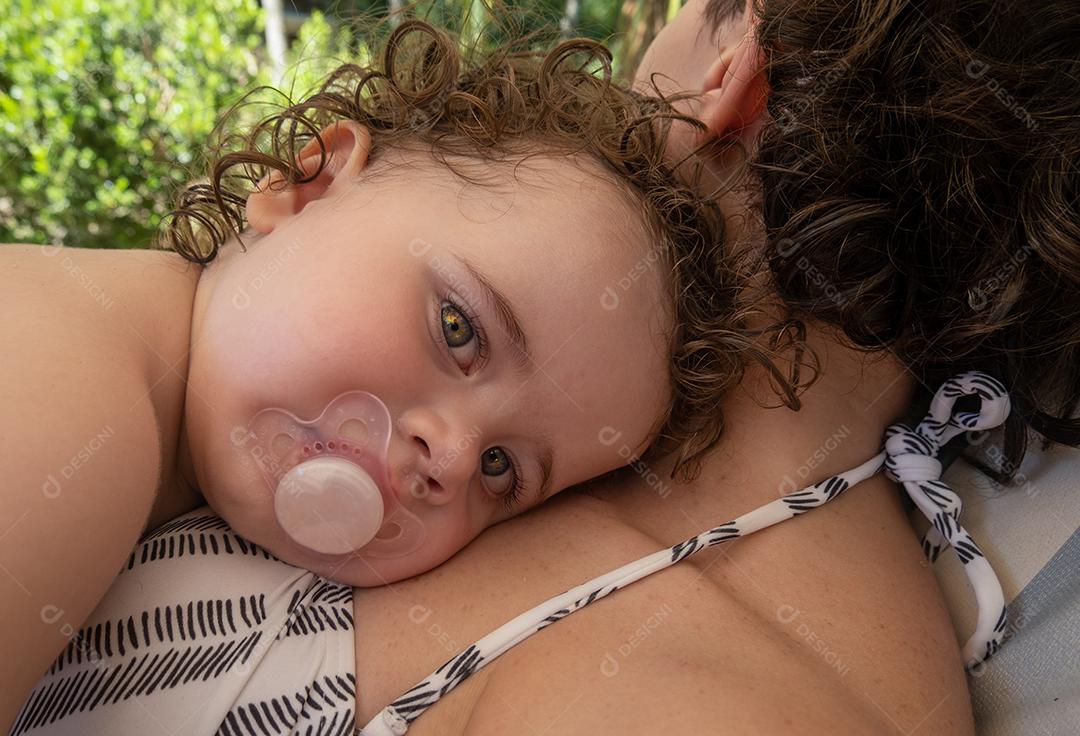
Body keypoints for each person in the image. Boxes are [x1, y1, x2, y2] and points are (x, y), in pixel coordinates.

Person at [7, 0, 1079, 733]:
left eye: (506, 472)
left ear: (733, 73)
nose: (443, 456)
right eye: (458, 328)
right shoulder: (885, 683)